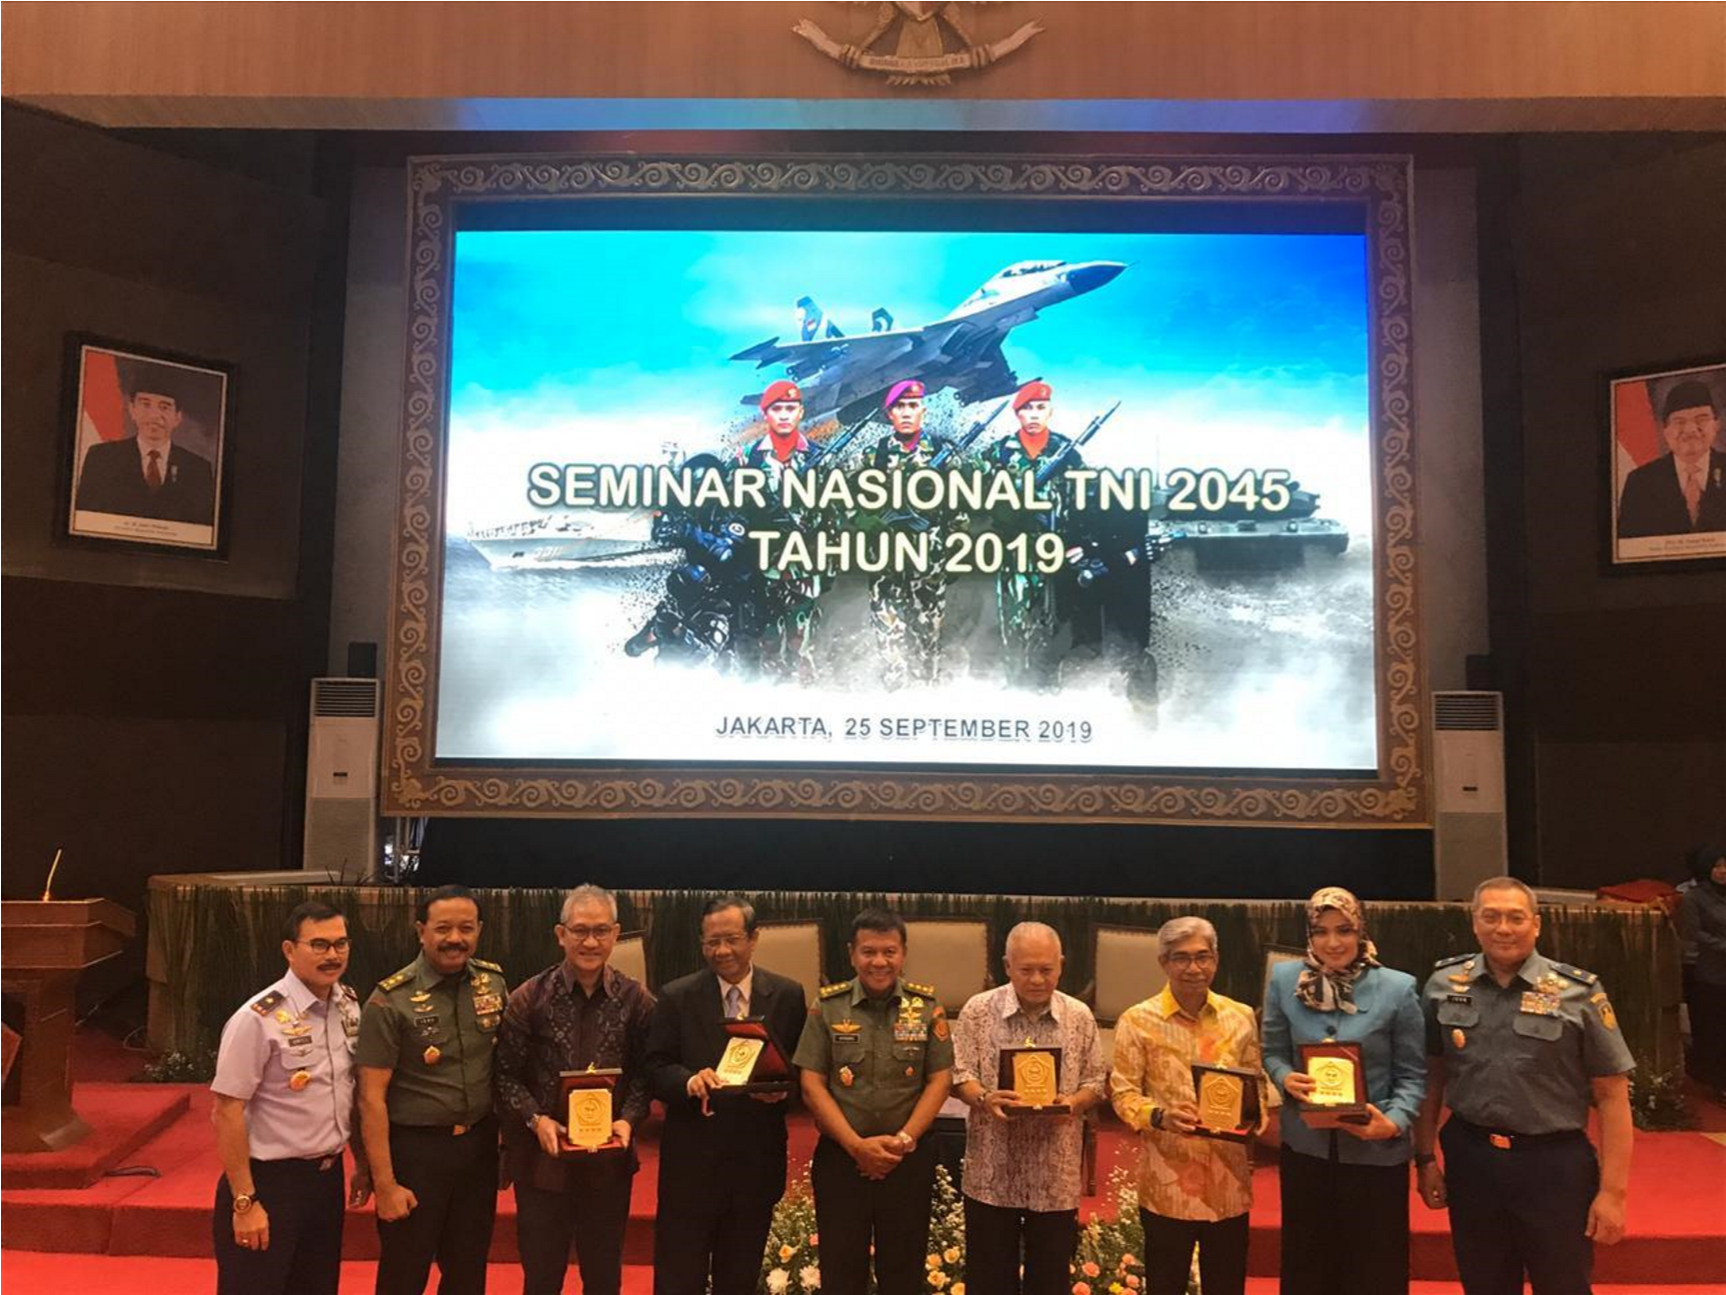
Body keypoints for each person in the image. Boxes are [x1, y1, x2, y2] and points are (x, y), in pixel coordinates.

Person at [1413, 876, 1636, 1295]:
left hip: (1553, 1165)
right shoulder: (1444, 985)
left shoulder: (1577, 993)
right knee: (1484, 1282)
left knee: (1563, 1284)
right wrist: (1424, 1158)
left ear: (1536, 924)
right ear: (1474, 923)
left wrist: (1613, 1193)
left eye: (1515, 918)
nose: (1503, 928)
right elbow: (1431, 1075)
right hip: (1472, 1159)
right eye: (1491, 917)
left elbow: (1612, 1093)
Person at [1260, 887, 1427, 1295]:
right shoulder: (1284, 980)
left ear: (1361, 930)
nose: (1332, 942)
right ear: (1309, 934)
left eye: (1344, 930)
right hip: (1307, 1149)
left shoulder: (1398, 988)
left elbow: (1412, 1075)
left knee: (1375, 1269)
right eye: (1321, 931)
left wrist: (1394, 1123)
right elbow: (1273, 1052)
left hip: (1375, 1152)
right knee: (1307, 1265)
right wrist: (1285, 1077)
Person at [644, 894, 809, 1295]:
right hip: (691, 1163)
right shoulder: (677, 996)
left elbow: (803, 1072)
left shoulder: (787, 995)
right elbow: (654, 1067)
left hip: (756, 1161)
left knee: (739, 1276)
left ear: (753, 938)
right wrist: (688, 1081)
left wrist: (781, 1094)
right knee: (678, 1277)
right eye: (712, 942)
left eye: (732, 939)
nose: (722, 951)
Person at [495, 883, 655, 1295]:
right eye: (580, 930)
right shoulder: (529, 998)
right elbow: (505, 1076)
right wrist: (536, 1120)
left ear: (616, 934)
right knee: (542, 1278)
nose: (590, 942)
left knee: (603, 1279)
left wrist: (628, 1119)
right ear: (560, 934)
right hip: (542, 1165)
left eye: (600, 931)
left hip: (608, 1165)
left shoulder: (636, 1000)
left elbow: (646, 1073)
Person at [209, 901, 370, 1295]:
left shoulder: (349, 1006)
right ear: (289, 949)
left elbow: (349, 1092)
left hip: (326, 1181)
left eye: (341, 944)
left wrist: (362, 1161)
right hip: (270, 1182)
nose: (332, 955)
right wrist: (245, 1201)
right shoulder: (257, 1018)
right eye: (319, 945)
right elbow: (227, 1111)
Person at [355, 884, 509, 1295]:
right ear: (421, 930)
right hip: (416, 1153)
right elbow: (370, 1098)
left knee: (468, 1272)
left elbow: (503, 1069)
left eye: (466, 928)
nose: (455, 938)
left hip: (478, 1149)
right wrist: (384, 1184)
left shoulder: (493, 983)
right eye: (443, 928)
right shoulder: (390, 1000)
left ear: (479, 930)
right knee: (405, 1274)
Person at [792, 908, 954, 1295]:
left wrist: (901, 1142)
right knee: (840, 1271)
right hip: (842, 1159)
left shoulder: (927, 1007)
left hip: (907, 1160)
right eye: (868, 952)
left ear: (903, 953)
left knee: (903, 1271)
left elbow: (940, 1080)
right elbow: (811, 1083)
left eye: (889, 951)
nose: (879, 962)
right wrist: (856, 1147)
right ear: (852, 954)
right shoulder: (827, 1007)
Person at [1109, 916, 1268, 1295]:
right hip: (1168, 1185)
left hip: (1228, 1185)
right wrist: (1160, 1116)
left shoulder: (1241, 1017)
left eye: (1202, 957)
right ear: (1163, 962)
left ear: (1216, 959)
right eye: (1181, 958)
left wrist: (1252, 1116)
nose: (1194, 968)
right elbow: (1122, 1094)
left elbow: (1257, 1086)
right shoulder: (1137, 1021)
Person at [950, 921, 1107, 1295]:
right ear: (1007, 966)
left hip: (1055, 1174)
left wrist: (1074, 1103)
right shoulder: (978, 1011)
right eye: (1026, 970)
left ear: (1061, 965)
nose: (1037, 979)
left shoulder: (1079, 1016)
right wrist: (984, 1098)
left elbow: (1096, 1082)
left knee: (1050, 1280)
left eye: (1046, 969)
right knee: (988, 1280)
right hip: (993, 1172)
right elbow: (959, 1074)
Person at [862, 379, 970, 690]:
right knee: (887, 632)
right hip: (886, 556)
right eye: (900, 407)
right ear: (889, 414)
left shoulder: (943, 453)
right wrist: (875, 523)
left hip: (930, 555)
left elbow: (958, 507)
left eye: (913, 405)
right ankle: (894, 692)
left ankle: (926, 691)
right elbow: (854, 502)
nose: (907, 412)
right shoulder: (874, 455)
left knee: (927, 632)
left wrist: (954, 554)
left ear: (923, 410)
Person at [986, 380, 1082, 691]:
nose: (1034, 414)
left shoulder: (1067, 453)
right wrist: (1004, 511)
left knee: (1053, 619)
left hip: (1055, 548)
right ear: (1018, 413)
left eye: (1041, 407)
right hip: (1014, 548)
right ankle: (1016, 684)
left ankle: (1048, 686)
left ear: (1049, 411)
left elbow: (1082, 501)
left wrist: (1076, 541)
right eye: (1027, 408)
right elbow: (976, 493)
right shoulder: (999, 452)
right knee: (1014, 619)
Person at [736, 379, 829, 681]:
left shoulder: (819, 456)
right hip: (764, 562)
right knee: (767, 642)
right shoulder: (747, 458)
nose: (785, 415)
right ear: (766, 414)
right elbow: (732, 508)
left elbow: (832, 512)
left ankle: (806, 695)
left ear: (801, 412)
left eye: (791, 408)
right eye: (778, 409)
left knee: (805, 643)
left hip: (805, 563)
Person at [75, 362, 217, 524]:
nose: (154, 415)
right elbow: (84, 520)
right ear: (132, 409)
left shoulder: (198, 469)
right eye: (146, 404)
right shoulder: (101, 458)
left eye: (164, 407)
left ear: (177, 417)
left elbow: (202, 529)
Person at [1616, 380, 1726, 538]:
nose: (1690, 429)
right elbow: (1629, 544)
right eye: (1679, 422)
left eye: (1701, 419)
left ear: (1716, 425)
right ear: (1665, 430)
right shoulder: (1640, 481)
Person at [1677, 844, 1726, 1103]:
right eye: (1718, 865)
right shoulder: (1694, 898)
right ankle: (1718, 1082)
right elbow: (1693, 934)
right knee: (1714, 1029)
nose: (1723, 871)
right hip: (1709, 972)